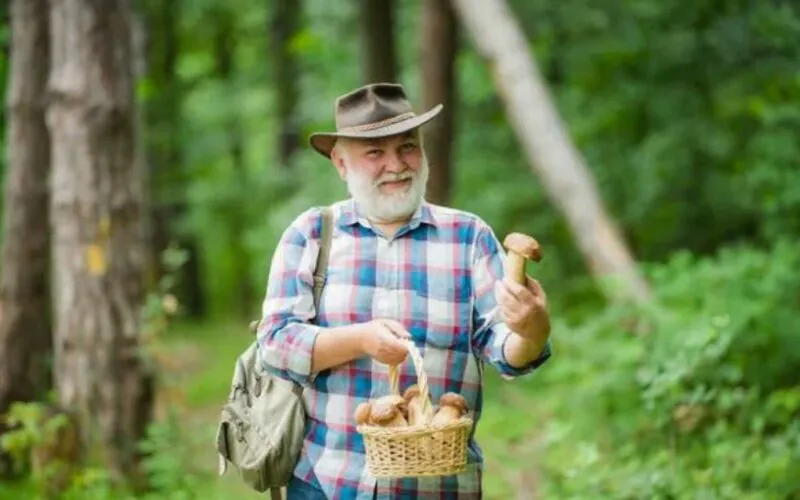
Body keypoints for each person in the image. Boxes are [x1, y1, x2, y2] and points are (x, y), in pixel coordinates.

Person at [256, 82, 553, 500]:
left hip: (439, 487)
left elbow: (505, 351)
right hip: (328, 482)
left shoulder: (468, 237)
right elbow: (274, 343)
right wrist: (360, 339)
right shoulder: (310, 234)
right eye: (375, 152)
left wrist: (533, 330)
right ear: (341, 163)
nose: (396, 165)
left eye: (407, 147)